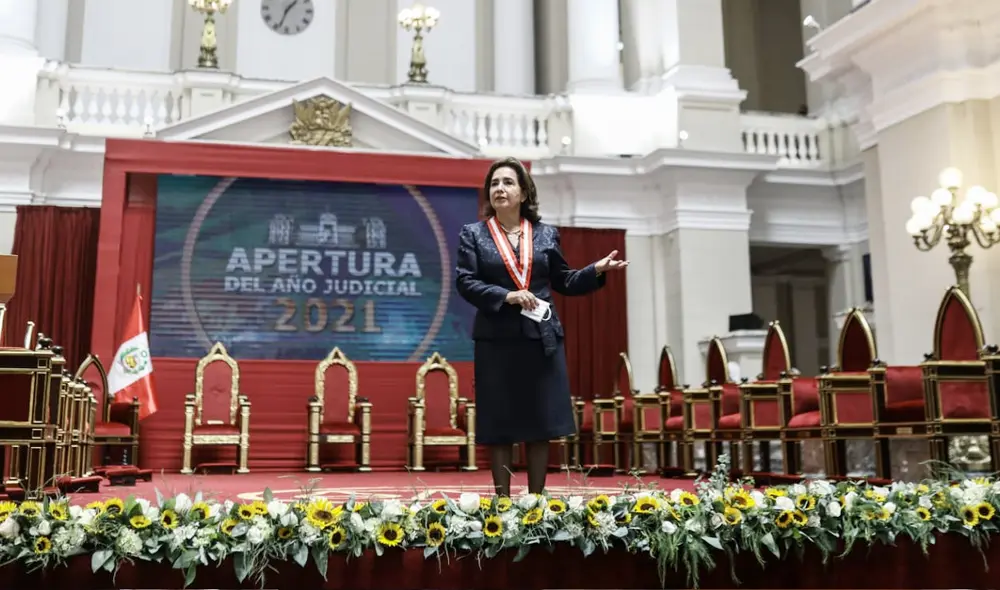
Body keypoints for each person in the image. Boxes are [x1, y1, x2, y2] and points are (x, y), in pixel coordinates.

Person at [455, 157, 629, 497]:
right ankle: (503, 503)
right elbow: (465, 282)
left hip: (541, 337)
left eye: (507, 182)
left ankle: (536, 501)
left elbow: (564, 280)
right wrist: (508, 295)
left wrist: (596, 269)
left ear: (523, 192)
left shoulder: (546, 234)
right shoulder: (473, 234)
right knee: (500, 422)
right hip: (496, 338)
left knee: (540, 421)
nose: (500, 189)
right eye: (494, 183)